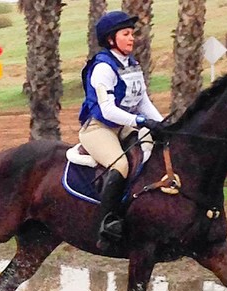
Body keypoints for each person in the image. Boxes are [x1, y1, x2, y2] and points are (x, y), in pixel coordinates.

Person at [78, 11, 165, 246]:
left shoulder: (132, 64)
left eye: (132, 34)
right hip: (98, 128)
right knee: (121, 164)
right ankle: (106, 224)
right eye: (126, 34)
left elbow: (143, 101)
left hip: (124, 126)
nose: (131, 38)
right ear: (110, 40)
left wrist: (163, 124)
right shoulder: (103, 68)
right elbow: (107, 110)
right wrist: (139, 122)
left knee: (151, 148)